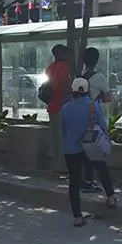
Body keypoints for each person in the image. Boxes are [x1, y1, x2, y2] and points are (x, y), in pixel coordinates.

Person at [61, 77, 117, 227]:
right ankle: (110, 197)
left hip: (72, 149)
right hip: (91, 146)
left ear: (72, 91)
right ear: (87, 91)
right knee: (101, 168)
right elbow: (104, 128)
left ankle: (77, 217)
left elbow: (63, 130)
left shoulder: (65, 108)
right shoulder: (93, 106)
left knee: (74, 182)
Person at [80, 47, 113, 193]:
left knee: (84, 150)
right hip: (93, 118)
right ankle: (91, 182)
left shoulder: (79, 74)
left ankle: (86, 180)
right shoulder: (99, 77)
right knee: (94, 151)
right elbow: (108, 97)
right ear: (97, 60)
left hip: (80, 116)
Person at [46, 44, 72, 175]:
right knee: (63, 138)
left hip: (51, 106)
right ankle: (61, 165)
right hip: (61, 105)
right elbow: (63, 86)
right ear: (61, 54)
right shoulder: (63, 67)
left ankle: (55, 165)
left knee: (55, 137)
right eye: (66, 53)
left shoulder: (51, 67)